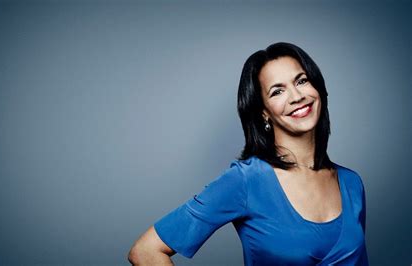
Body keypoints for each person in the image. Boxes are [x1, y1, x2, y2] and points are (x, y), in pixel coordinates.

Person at [127, 42, 369, 265]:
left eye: (302, 81)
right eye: (277, 91)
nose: (297, 96)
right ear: (264, 112)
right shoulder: (247, 180)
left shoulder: (351, 184)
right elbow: (146, 250)